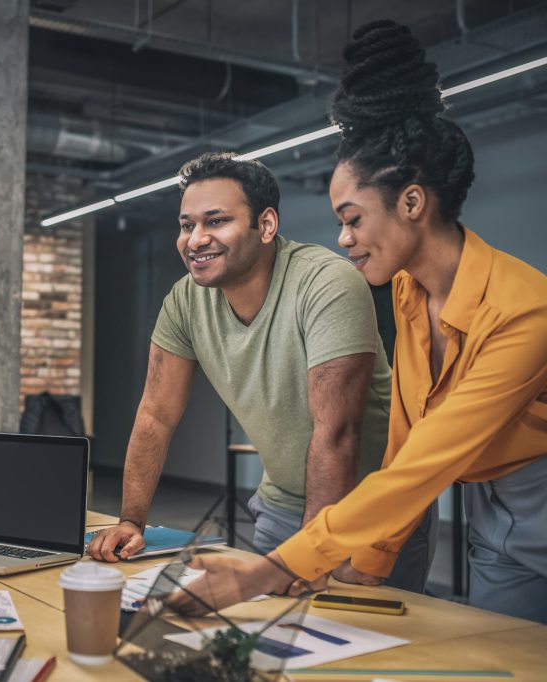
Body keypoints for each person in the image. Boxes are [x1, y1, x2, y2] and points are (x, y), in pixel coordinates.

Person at [181, 20, 547, 624]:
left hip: (535, 500)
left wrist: (278, 566)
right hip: (492, 518)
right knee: (499, 651)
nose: (343, 239)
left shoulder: (524, 311)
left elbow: (429, 461)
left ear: (411, 203)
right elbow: (404, 439)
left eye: (352, 219)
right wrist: (366, 564)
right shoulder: (407, 292)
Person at [87, 152, 436, 592]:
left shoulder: (327, 283)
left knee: (374, 652)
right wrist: (131, 521)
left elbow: (337, 431)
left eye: (215, 221)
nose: (195, 239)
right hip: (279, 507)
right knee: (267, 646)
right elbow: (156, 413)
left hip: (369, 513)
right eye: (186, 224)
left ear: (266, 225)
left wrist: (310, 555)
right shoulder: (184, 300)